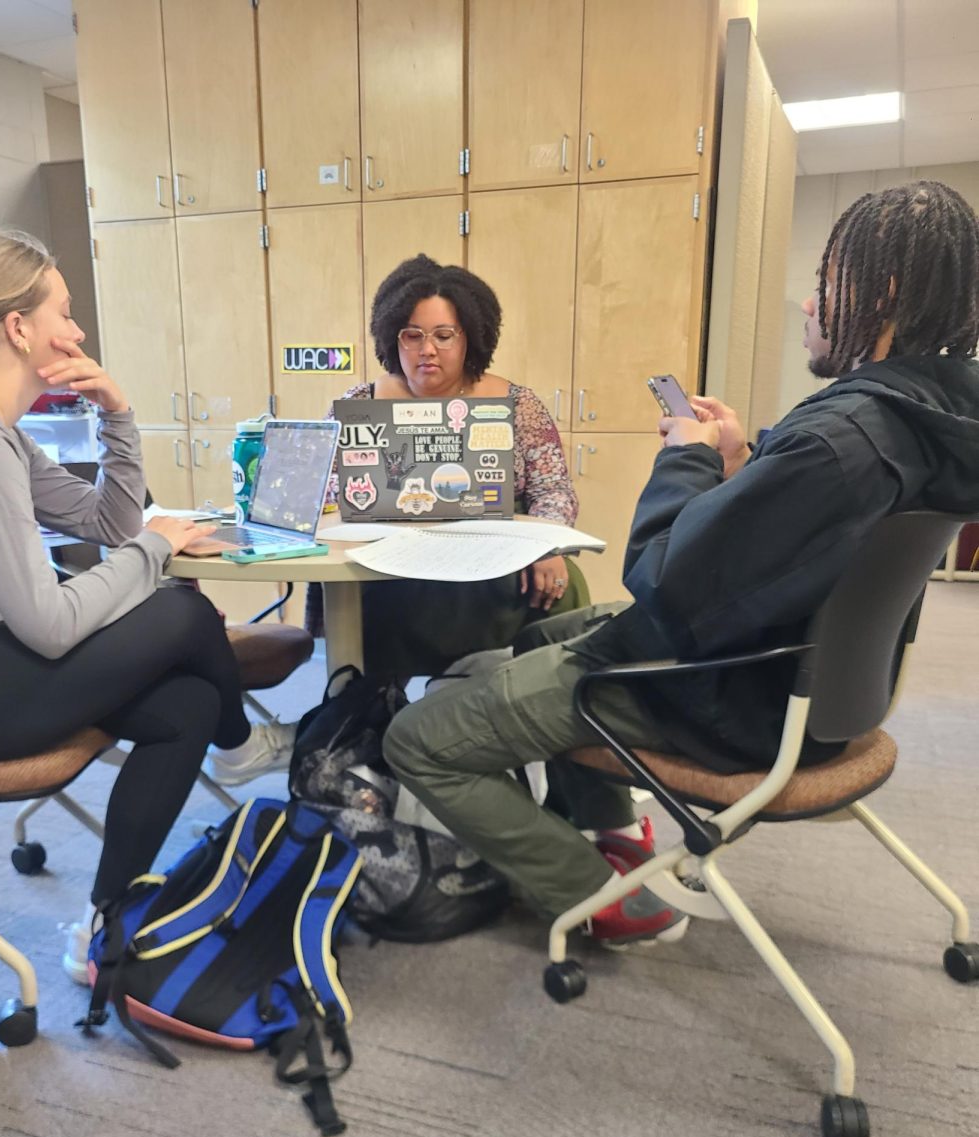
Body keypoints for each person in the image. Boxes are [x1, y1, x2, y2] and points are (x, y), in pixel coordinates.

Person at [382, 179, 979, 948]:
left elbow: (660, 578)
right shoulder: (931, 417)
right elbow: (809, 530)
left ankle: (595, 893)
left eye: (825, 285)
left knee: (418, 740)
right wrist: (743, 463)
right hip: (815, 681)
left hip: (723, 693)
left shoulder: (840, 438)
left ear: (882, 293)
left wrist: (687, 460)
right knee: (535, 640)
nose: (808, 305)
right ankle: (615, 838)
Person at [0, 229, 287, 983]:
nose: (77, 332)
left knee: (185, 703)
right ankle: (241, 752)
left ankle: (101, 923)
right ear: (19, 327)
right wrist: (156, 550)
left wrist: (117, 414)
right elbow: (48, 624)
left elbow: (109, 523)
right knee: (179, 612)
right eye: (65, 313)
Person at [308, 254, 590, 678]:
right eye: (412, 335)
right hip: (390, 561)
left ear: (470, 338)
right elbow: (323, 491)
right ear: (392, 338)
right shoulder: (359, 405)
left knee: (559, 583)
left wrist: (546, 545)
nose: (427, 350)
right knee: (356, 595)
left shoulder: (517, 404)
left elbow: (553, 491)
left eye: (444, 335)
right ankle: (372, 718)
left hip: (495, 560)